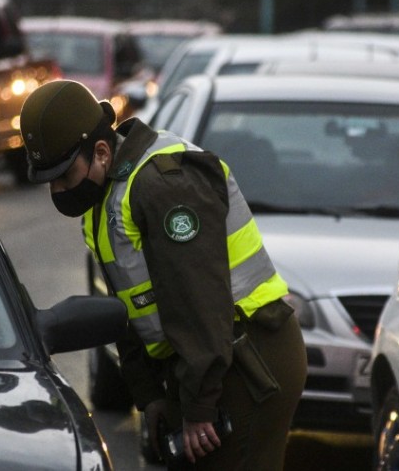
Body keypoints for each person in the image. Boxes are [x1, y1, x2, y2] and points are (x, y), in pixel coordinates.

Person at [19, 80, 307, 470]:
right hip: (210, 361)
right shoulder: (105, 199)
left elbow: (198, 302)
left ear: (101, 152)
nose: (58, 189)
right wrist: (150, 395)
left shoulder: (164, 186)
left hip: (248, 361)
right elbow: (128, 310)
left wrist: (199, 406)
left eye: (65, 176)